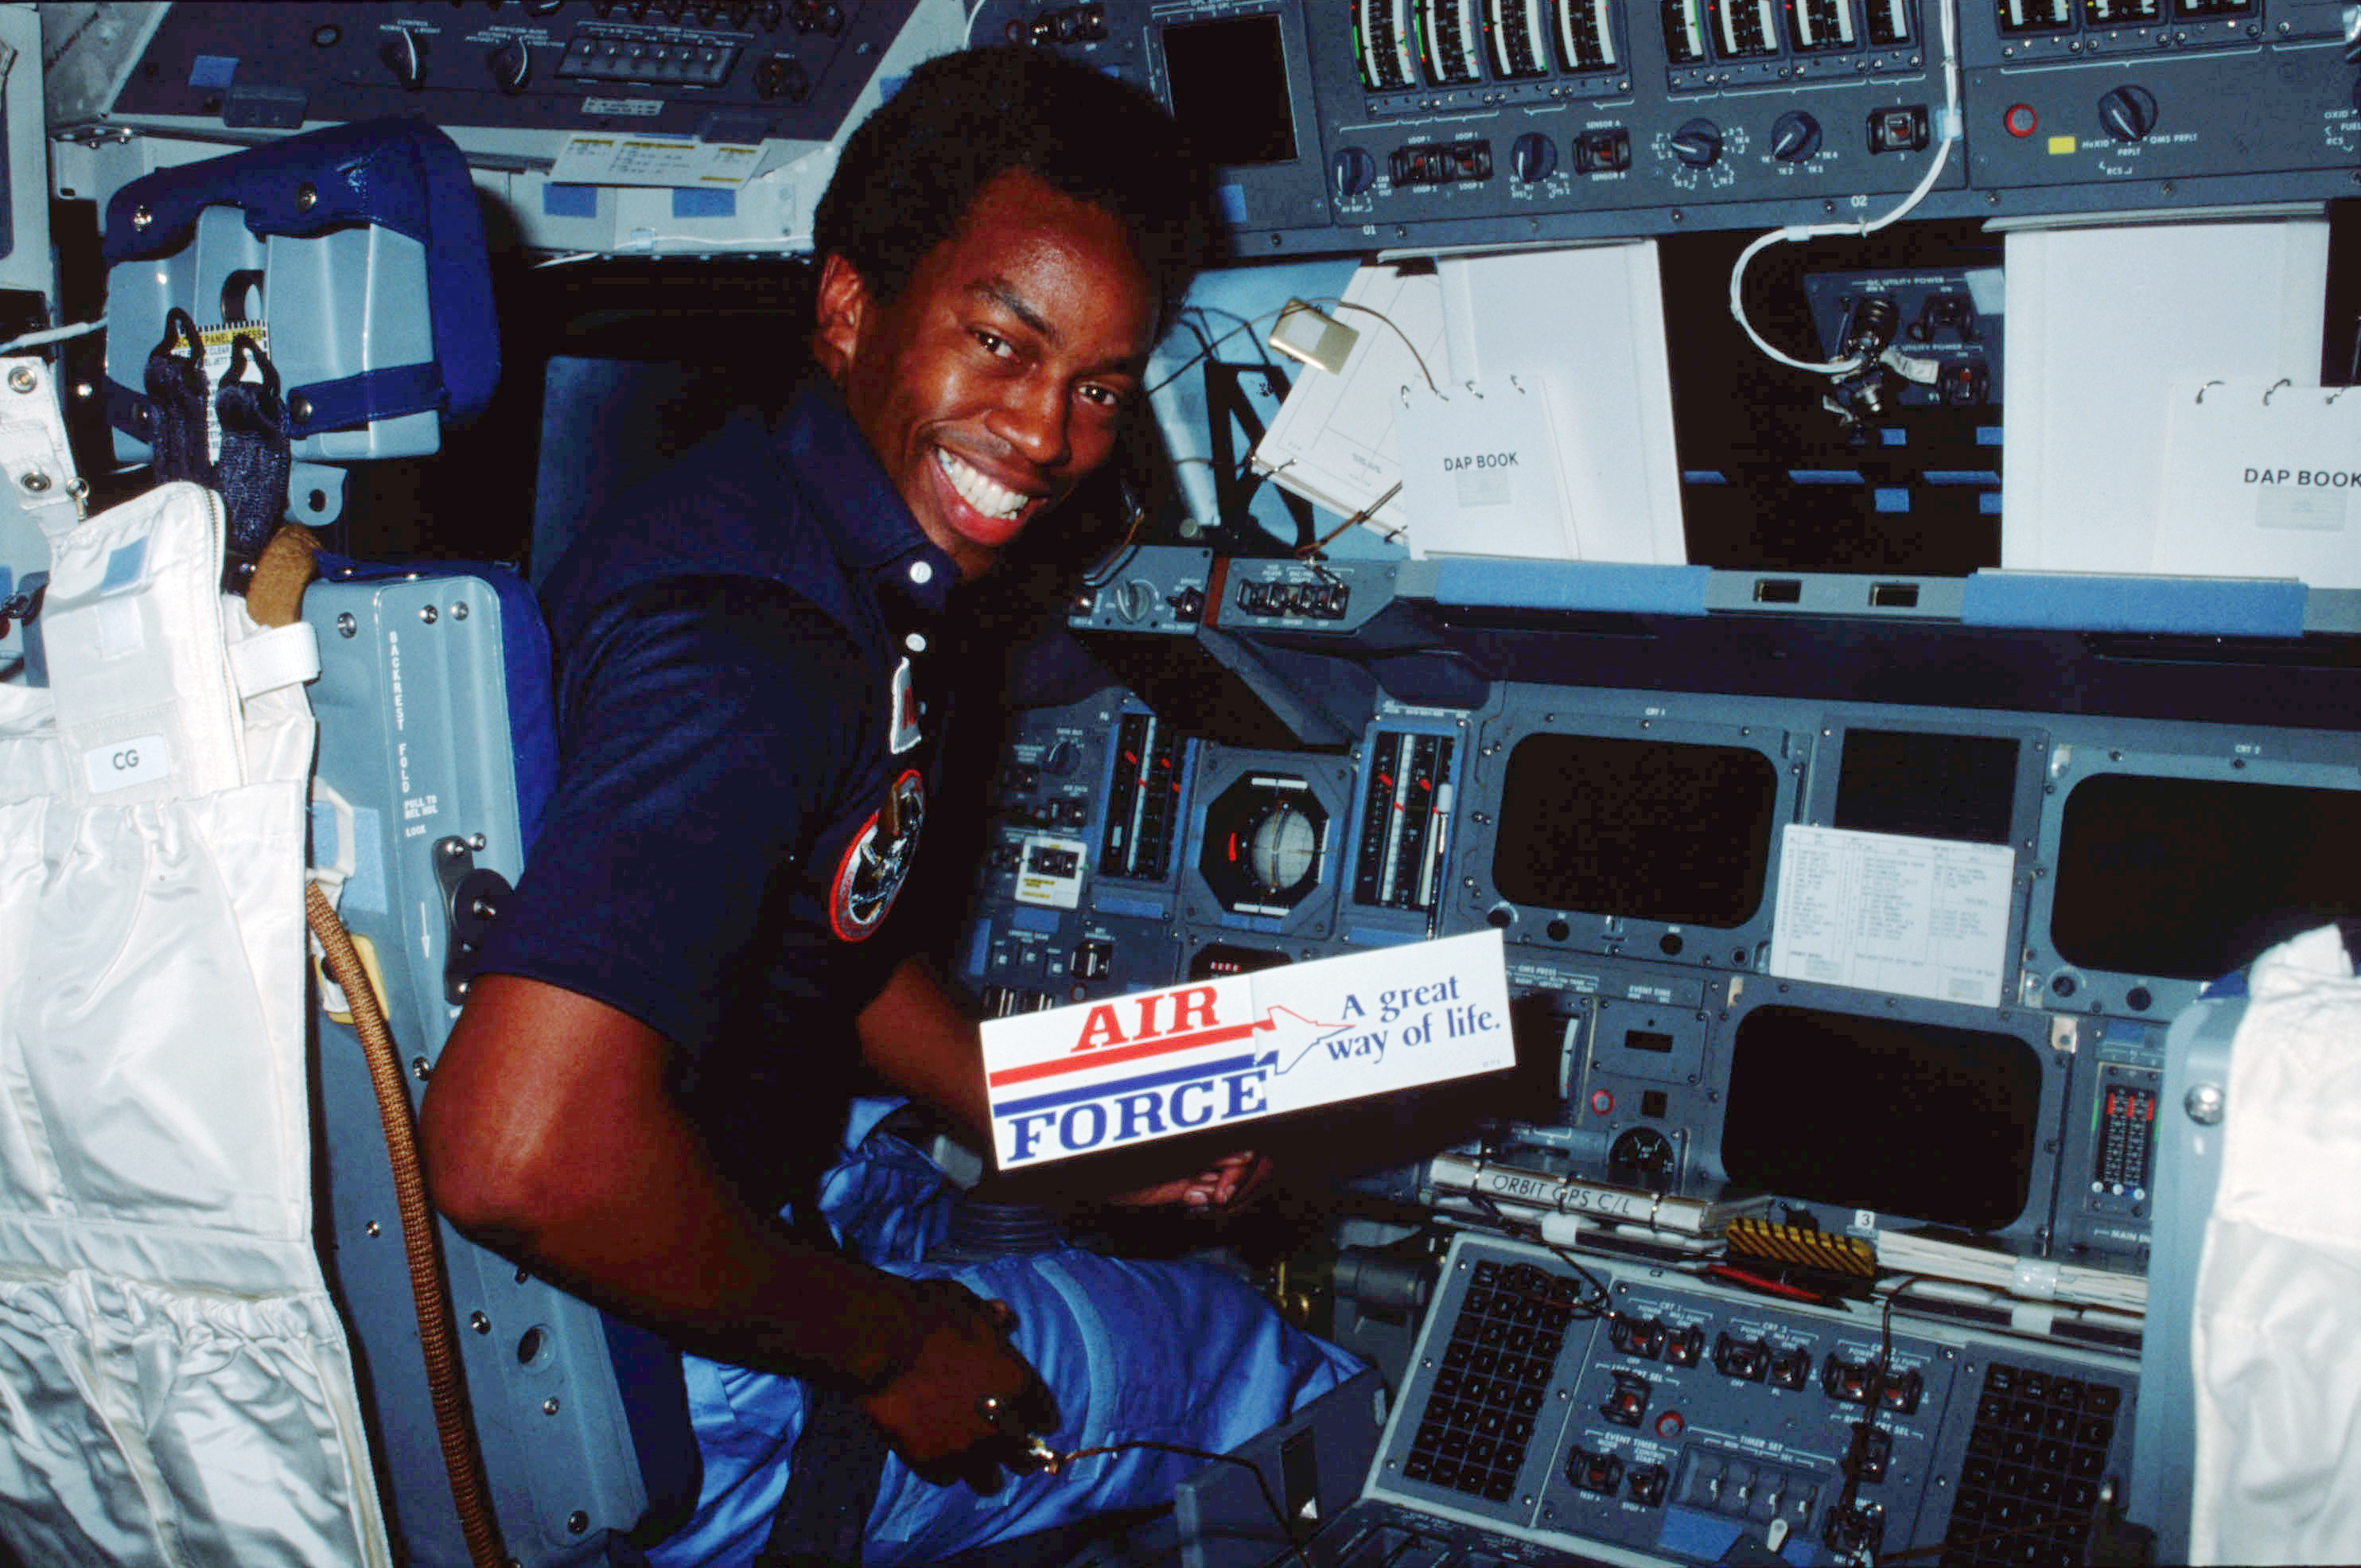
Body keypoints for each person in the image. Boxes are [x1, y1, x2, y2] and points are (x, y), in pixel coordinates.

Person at [418, 45, 1363, 1567]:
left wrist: (1074, 1120)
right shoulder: (755, 650)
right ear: (852, 307)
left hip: (750, 1186)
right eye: (999, 341)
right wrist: (894, 1350)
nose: (1048, 436)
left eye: (1099, 387)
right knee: (1275, 1366)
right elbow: (522, 1151)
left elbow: (810, 941)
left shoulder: (788, 525)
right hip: (670, 1380)